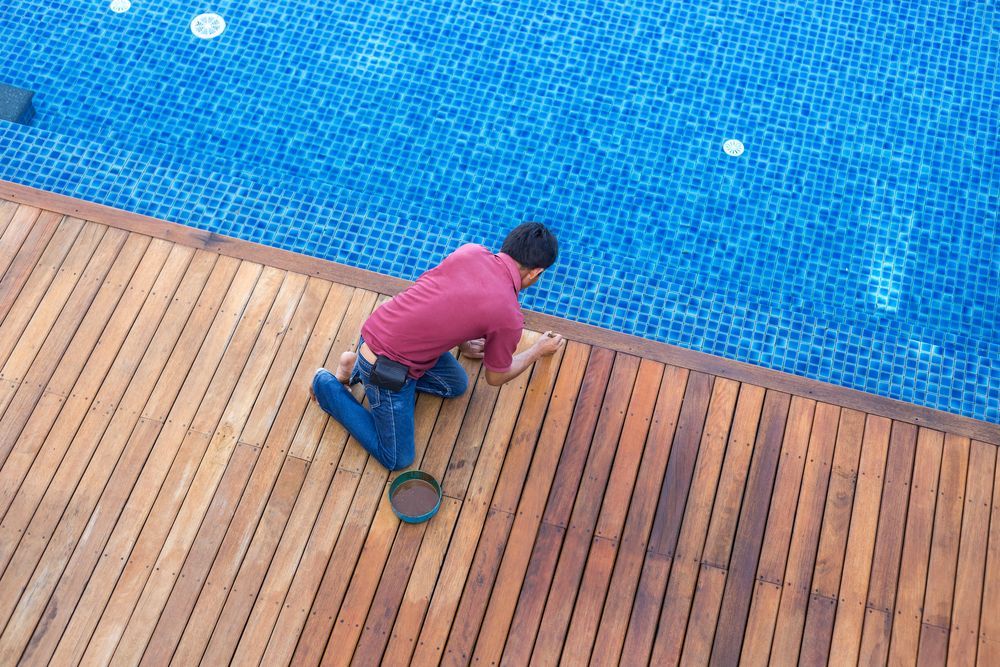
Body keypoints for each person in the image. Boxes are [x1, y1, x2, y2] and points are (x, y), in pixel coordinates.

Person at [311, 222, 564, 470]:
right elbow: (496, 377)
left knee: (456, 385)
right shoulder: (508, 314)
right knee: (397, 458)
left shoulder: (471, 251)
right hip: (387, 369)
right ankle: (327, 385)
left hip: (379, 327)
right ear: (535, 272)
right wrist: (537, 351)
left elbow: (443, 298)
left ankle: (356, 366)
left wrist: (464, 343)